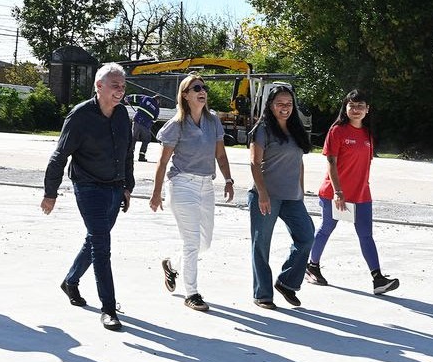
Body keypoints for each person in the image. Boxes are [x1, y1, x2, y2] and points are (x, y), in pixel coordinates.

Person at [41, 62, 134, 331]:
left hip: (114, 187)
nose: (120, 90)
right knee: (102, 246)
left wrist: (127, 186)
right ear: (99, 86)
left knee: (94, 240)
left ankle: (70, 281)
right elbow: (60, 155)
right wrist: (50, 192)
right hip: (88, 186)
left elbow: (127, 152)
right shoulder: (80, 116)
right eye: (115, 85)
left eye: (123, 86)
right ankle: (108, 308)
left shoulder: (122, 115)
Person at [149, 73, 234, 312]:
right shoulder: (176, 125)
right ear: (185, 95)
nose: (202, 91)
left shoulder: (213, 121)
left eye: (204, 88)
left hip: (206, 185)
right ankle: (192, 293)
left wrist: (228, 180)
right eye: (196, 88)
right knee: (192, 242)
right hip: (182, 185)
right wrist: (156, 193)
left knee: (204, 244)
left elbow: (220, 155)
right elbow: (162, 162)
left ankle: (172, 265)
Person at [305, 88, 400, 295]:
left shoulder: (367, 134)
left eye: (360, 106)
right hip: (335, 193)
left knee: (366, 235)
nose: (356, 110)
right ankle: (312, 267)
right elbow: (331, 162)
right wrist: (338, 191)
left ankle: (378, 279)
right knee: (326, 228)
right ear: (345, 107)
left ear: (367, 109)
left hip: (361, 194)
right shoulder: (337, 131)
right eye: (352, 105)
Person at [248, 84, 315, 309]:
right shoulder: (263, 129)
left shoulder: (296, 128)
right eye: (280, 104)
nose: (285, 107)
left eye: (289, 104)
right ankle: (262, 294)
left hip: (292, 197)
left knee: (306, 237)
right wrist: (262, 193)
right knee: (261, 245)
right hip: (266, 196)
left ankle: (287, 282)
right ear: (270, 105)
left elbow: (299, 162)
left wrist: (301, 191)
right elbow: (254, 163)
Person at [126, 93, 160, 162]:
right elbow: (154, 120)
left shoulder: (146, 98)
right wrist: (150, 124)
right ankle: (141, 157)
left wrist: (128, 98)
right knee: (146, 140)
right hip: (145, 125)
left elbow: (135, 97)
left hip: (137, 120)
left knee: (133, 138)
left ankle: (129, 155)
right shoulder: (156, 108)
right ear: (158, 101)